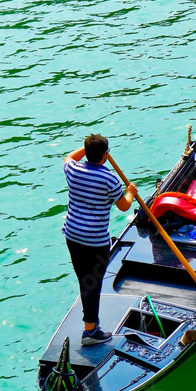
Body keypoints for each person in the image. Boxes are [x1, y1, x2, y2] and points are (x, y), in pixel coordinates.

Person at [62, 134, 137, 345]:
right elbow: (123, 206)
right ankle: (91, 330)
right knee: (92, 284)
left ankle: (90, 323)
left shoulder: (73, 170)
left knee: (85, 281)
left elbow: (68, 157)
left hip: (73, 235)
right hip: (95, 241)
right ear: (105, 155)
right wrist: (130, 192)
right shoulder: (109, 179)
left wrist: (88, 149)